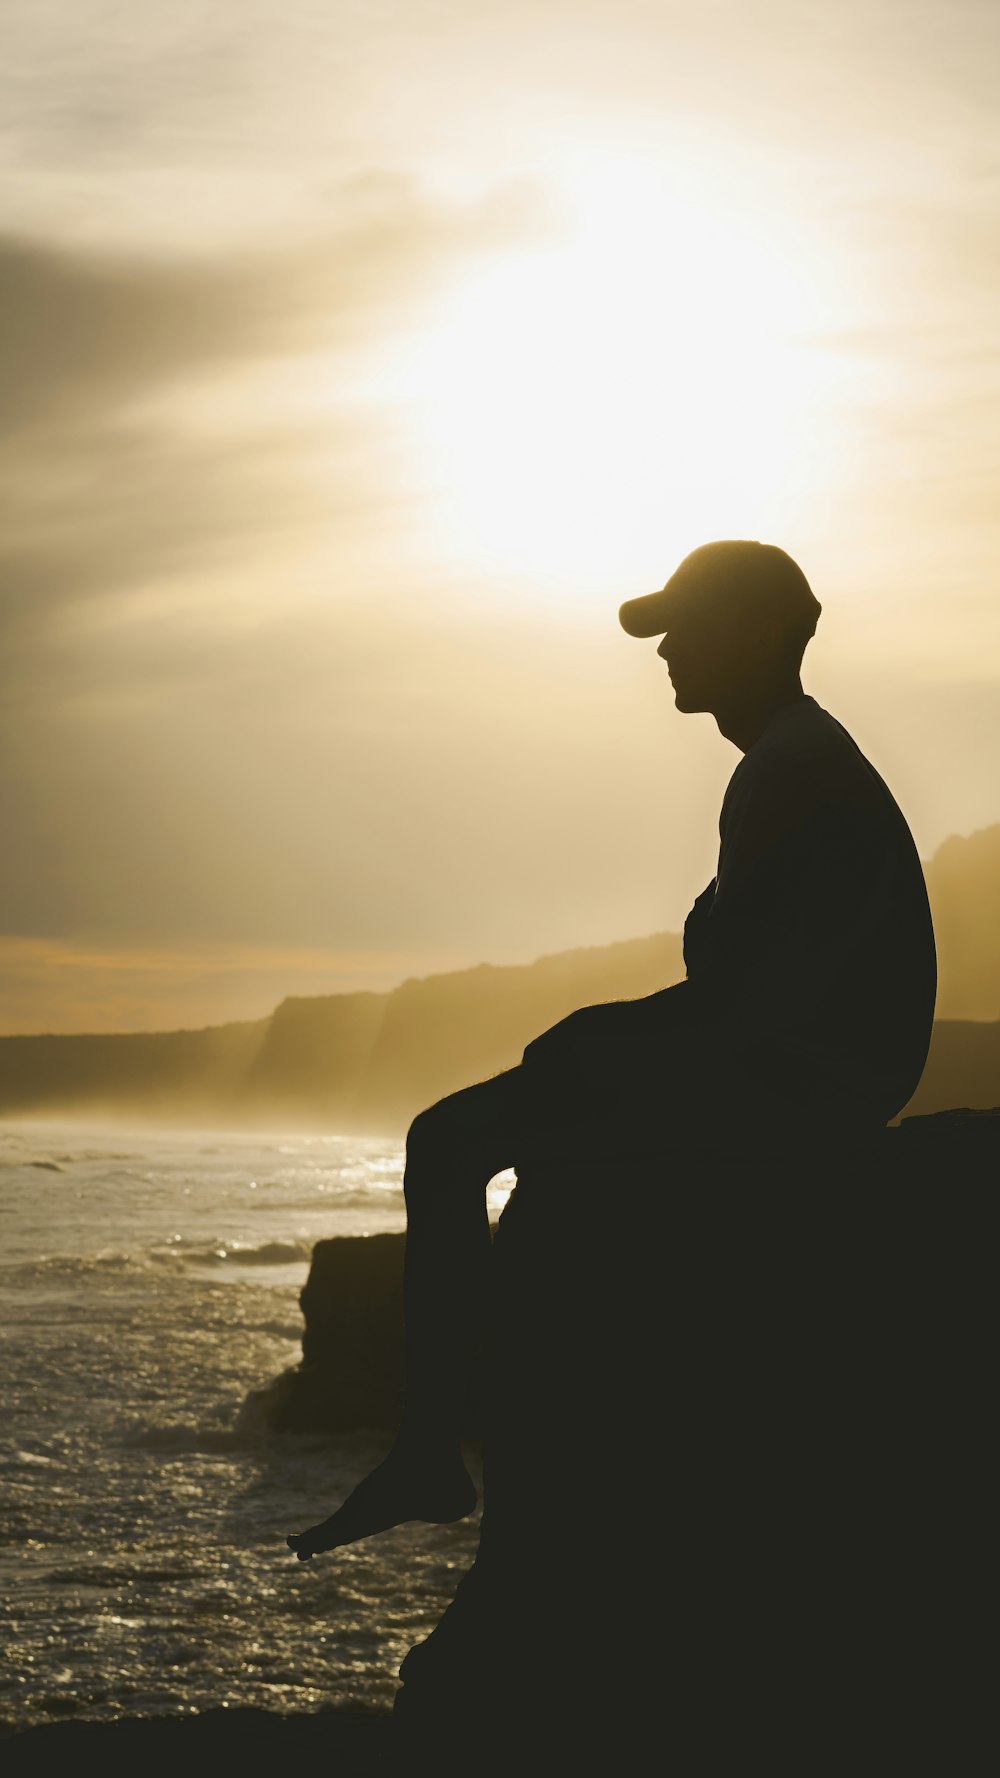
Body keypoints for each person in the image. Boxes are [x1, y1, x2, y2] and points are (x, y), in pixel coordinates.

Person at [287, 538, 937, 1561]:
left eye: (689, 625)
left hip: (806, 1086)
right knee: (508, 1110)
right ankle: (431, 1446)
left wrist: (594, 1038)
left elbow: (756, 1003)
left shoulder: (791, 766)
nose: (667, 648)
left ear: (763, 632)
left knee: (449, 1140)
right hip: (817, 1070)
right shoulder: (792, 757)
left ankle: (426, 1453)